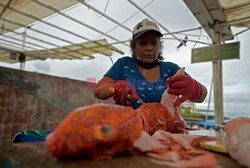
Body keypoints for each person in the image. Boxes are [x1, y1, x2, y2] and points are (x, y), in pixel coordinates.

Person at [95, 18, 207, 109]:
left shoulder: (170, 69)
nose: (149, 48)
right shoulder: (123, 64)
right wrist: (113, 88)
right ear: (134, 46)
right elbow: (99, 90)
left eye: (154, 43)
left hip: (163, 131)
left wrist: (198, 90)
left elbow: (201, 97)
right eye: (143, 43)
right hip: (129, 128)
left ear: (160, 46)